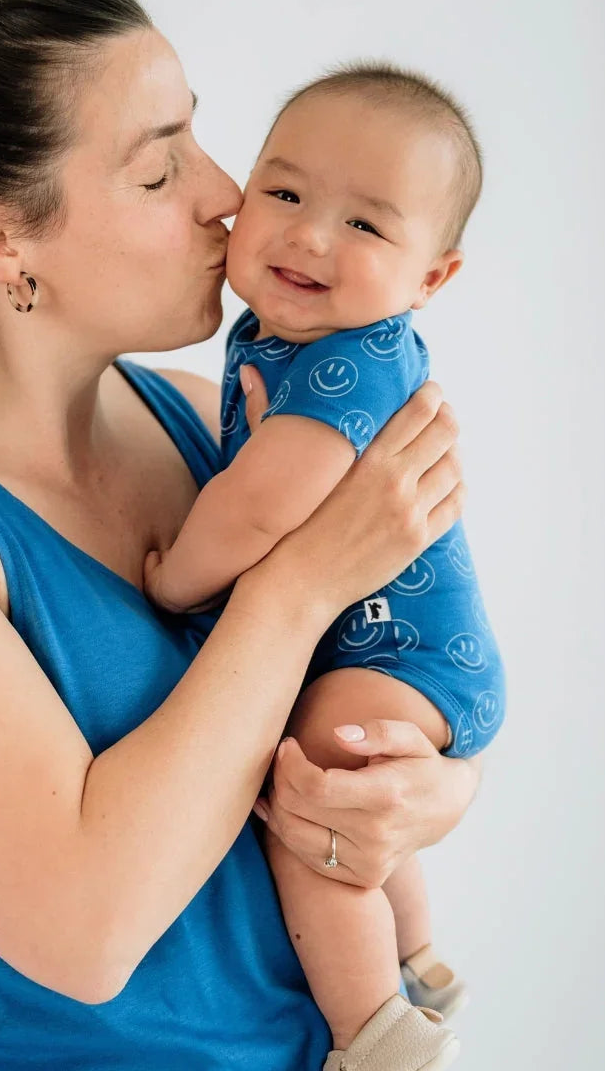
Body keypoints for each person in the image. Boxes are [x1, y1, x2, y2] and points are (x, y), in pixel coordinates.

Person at [0, 0, 483, 1068]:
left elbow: (359, 678)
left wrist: (429, 786)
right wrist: (297, 585)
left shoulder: (205, 418)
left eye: (201, 138)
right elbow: (89, 930)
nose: (226, 196)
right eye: (159, 170)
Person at [141, 62, 506, 1070]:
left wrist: (176, 580)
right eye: (288, 194)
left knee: (311, 806)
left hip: (405, 648)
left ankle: (373, 1027)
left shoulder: (349, 364)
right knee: (351, 780)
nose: (308, 236)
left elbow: (259, 507)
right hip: (396, 649)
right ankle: (422, 953)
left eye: (365, 226)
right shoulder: (280, 341)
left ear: (432, 279)